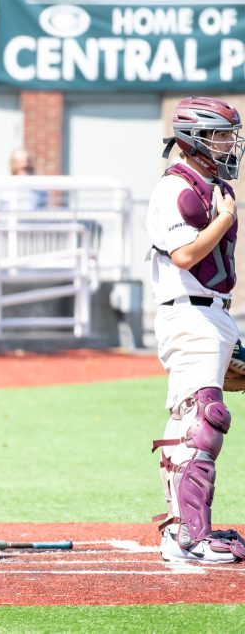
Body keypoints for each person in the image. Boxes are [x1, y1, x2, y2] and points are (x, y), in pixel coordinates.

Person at [147, 96, 245, 564]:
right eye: (220, 135)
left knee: (193, 421)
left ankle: (182, 531)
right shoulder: (174, 188)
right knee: (204, 421)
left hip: (212, 314)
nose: (228, 144)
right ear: (194, 139)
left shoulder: (211, 186)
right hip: (189, 314)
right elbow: (185, 255)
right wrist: (225, 218)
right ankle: (190, 536)